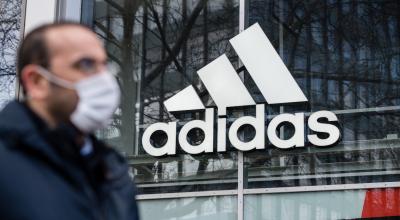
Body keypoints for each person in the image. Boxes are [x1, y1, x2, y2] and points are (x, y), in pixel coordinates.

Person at [0, 22, 139, 220]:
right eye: (86, 64)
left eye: (104, 65)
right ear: (37, 81)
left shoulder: (112, 171)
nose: (105, 79)